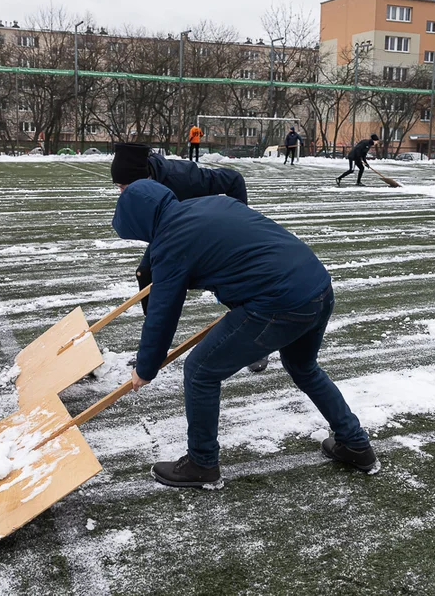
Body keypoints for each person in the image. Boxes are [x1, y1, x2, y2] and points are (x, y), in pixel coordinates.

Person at [113, 179, 377, 488]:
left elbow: (162, 313)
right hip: (317, 286)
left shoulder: (171, 242)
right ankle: (355, 444)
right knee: (304, 367)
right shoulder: (208, 203)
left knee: (200, 370)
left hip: (281, 303)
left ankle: (202, 464)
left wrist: (145, 368)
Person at [109, 143, 271, 372]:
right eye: (118, 187)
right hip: (172, 235)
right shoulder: (142, 188)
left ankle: (257, 345)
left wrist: (239, 217)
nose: (122, 194)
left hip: (208, 231)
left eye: (125, 187)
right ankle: (153, 347)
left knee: (226, 283)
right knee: (145, 273)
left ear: (144, 177)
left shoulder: (183, 177)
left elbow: (234, 179)